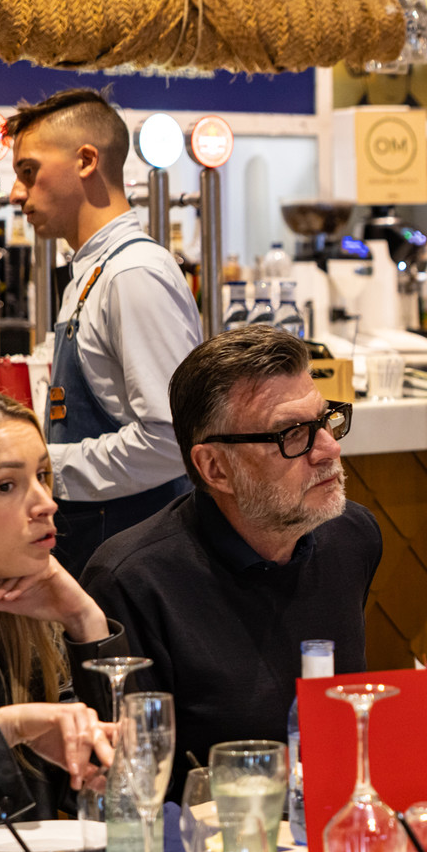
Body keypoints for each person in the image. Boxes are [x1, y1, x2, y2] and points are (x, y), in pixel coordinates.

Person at [82, 328, 381, 795]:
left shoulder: (352, 537)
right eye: (293, 434)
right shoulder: (133, 581)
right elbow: (132, 788)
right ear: (215, 468)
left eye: (326, 421)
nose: (329, 449)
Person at [5, 89, 202, 578]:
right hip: (98, 550)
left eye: (28, 171)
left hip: (136, 563)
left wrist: (42, 467)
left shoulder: (132, 274)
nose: (15, 194)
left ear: (86, 161)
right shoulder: (92, 271)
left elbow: (170, 440)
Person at [0, 393, 119, 816]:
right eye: (5, 486)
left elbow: (115, 781)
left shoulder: (23, 618)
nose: (47, 503)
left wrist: (84, 619)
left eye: (43, 475)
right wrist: (5, 730)